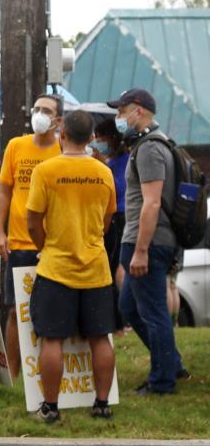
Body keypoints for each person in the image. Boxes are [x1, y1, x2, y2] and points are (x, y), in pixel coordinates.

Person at [25, 110, 117, 422]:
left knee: (52, 339)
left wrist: (45, 247)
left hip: (56, 268)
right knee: (100, 337)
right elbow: (107, 220)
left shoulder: (45, 171)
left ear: (62, 136)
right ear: (91, 138)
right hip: (96, 268)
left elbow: (33, 222)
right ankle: (102, 403)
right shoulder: (103, 172)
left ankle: (51, 407)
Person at [109, 88, 188, 395]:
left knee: (153, 313)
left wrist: (141, 250)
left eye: (121, 111)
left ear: (138, 111)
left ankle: (162, 381)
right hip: (143, 240)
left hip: (149, 242)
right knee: (129, 306)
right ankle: (171, 363)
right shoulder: (149, 144)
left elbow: (152, 203)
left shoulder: (150, 148)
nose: (119, 117)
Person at [0, 94, 62, 379]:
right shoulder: (16, 146)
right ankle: (13, 372)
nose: (39, 114)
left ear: (58, 120)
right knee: (14, 311)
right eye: (36, 108)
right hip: (19, 244)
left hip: (54, 246)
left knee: (54, 312)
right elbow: (3, 191)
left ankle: (50, 375)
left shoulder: (63, 150)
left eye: (46, 110)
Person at [92, 117, 127, 330]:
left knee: (113, 269)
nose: (97, 142)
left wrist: (101, 166)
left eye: (100, 138)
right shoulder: (112, 161)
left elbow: (118, 188)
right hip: (111, 215)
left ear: (111, 138)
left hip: (120, 217)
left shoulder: (124, 160)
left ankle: (119, 322)